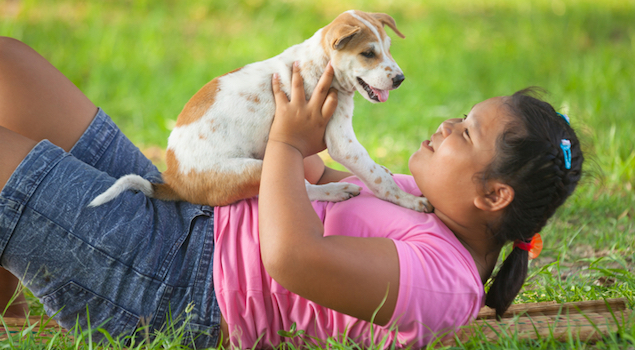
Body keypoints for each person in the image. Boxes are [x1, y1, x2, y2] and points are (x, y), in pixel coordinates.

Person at [0, 36, 583, 348]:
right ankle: (8, 302)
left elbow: (290, 256)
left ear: (494, 196)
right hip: (202, 217)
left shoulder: (441, 283)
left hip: (182, 291)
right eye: (458, 117)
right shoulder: (421, 204)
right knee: (11, 66)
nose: (445, 126)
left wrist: (285, 144)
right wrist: (283, 125)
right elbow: (314, 185)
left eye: (465, 133)